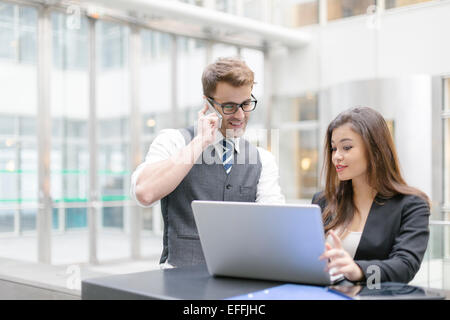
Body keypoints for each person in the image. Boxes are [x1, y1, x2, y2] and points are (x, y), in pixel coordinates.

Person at [131, 57, 285, 268]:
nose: (240, 115)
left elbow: (275, 224)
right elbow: (145, 193)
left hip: (239, 278)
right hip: (179, 281)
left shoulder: (262, 160)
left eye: (246, 104)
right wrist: (200, 142)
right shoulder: (175, 141)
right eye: (230, 106)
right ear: (208, 104)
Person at [313, 106, 430, 284]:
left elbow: (405, 266)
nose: (336, 156)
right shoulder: (323, 200)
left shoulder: (411, 205)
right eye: (333, 148)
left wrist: (358, 270)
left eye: (346, 147)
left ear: (375, 149)